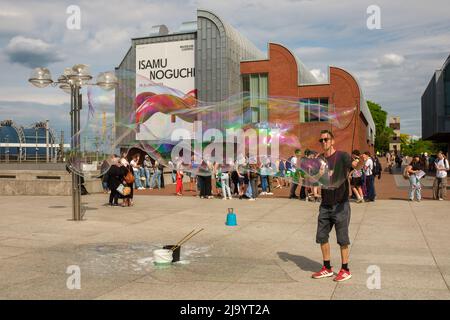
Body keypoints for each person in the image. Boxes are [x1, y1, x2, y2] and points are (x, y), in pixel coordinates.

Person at [311, 130, 363, 282]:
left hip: (341, 204)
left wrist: (359, 161)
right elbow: (315, 180)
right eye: (321, 140)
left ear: (332, 141)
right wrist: (318, 173)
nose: (324, 142)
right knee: (321, 236)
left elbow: (356, 166)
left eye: (326, 139)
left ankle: (345, 269)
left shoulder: (342, 156)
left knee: (342, 239)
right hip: (325, 204)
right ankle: (327, 268)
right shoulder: (320, 159)